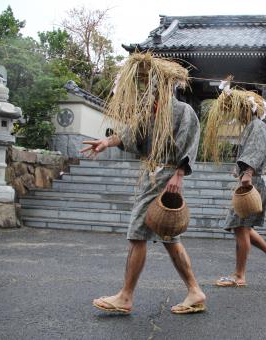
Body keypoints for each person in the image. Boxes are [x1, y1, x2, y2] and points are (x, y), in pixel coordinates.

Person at [81, 55, 205, 314]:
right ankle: (195, 291)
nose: (149, 88)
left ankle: (126, 296)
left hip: (165, 176)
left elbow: (189, 143)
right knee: (170, 238)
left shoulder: (183, 111)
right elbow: (130, 133)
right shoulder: (151, 113)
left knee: (137, 233)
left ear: (166, 84)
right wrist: (106, 142)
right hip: (152, 175)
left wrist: (178, 175)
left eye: (153, 83)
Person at [215, 113, 266, 287]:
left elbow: (257, 150)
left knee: (240, 226)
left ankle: (239, 275)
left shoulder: (257, 125)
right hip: (253, 180)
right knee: (242, 226)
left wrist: (247, 173)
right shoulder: (253, 125)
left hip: (252, 182)